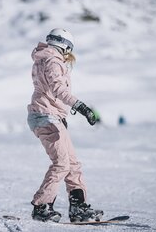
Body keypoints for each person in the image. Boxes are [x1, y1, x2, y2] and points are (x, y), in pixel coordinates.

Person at [27, 28, 102, 223]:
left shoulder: (44, 58)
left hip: (51, 116)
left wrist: (61, 114)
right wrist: (82, 107)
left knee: (73, 164)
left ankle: (78, 208)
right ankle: (41, 206)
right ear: (65, 46)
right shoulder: (52, 60)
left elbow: (50, 92)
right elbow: (58, 88)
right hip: (46, 116)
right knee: (61, 164)